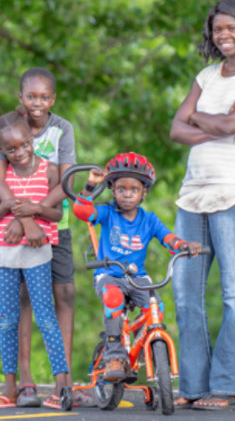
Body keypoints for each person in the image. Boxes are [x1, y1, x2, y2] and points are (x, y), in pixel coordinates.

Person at [169, 0, 235, 410]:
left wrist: (200, 118)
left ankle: (229, 386)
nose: (224, 35)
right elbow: (177, 130)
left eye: (232, 27)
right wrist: (210, 122)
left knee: (234, 293)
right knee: (185, 292)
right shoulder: (206, 76)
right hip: (192, 195)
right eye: (218, 29)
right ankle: (194, 387)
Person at [0, 67, 77, 407]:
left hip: (55, 223)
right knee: (18, 304)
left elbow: (65, 184)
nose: (37, 103)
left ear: (52, 99)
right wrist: (24, 222)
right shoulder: (8, 129)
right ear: (20, 98)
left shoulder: (62, 129)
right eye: (31, 96)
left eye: (44, 97)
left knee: (63, 294)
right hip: (14, 229)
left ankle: (63, 383)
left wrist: (33, 213)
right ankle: (24, 383)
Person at [72, 152, 202, 380]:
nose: (127, 195)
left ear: (144, 192)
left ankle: (142, 347)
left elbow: (168, 238)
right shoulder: (107, 213)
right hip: (109, 275)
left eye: (134, 189)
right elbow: (82, 212)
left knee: (156, 308)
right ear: (113, 190)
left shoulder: (149, 219)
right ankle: (114, 355)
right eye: (121, 189)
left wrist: (183, 245)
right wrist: (90, 185)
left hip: (136, 278)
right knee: (113, 299)